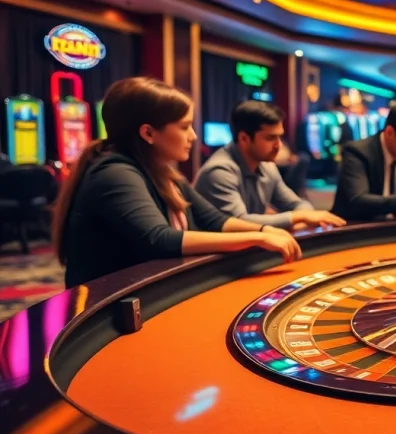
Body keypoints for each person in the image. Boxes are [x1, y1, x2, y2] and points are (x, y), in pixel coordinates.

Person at [52, 77, 301, 289]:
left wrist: (263, 230)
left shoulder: (161, 171)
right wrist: (255, 240)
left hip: (144, 292)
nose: (193, 136)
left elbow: (213, 220)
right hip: (103, 311)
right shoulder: (114, 172)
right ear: (148, 133)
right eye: (184, 127)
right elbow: (160, 240)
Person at [194, 101, 345, 231]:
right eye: (270, 138)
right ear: (244, 138)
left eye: (280, 136)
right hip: (206, 260)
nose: (278, 145)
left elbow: (295, 204)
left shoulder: (266, 165)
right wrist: (297, 217)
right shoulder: (219, 171)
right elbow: (238, 223)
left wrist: (304, 216)